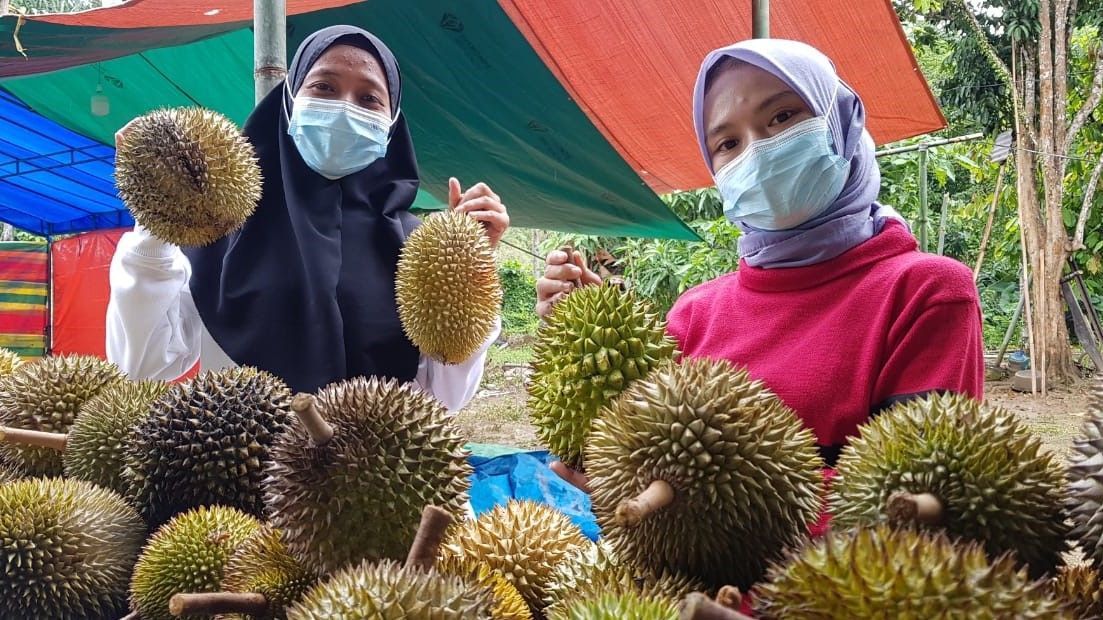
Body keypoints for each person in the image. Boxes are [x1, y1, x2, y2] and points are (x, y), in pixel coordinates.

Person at [537, 38, 984, 492]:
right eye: (728, 142)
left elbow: (922, 504)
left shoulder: (926, 293)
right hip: (672, 564)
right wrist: (587, 336)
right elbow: (625, 450)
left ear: (842, 121)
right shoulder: (693, 314)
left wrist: (693, 507)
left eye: (783, 116)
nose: (759, 151)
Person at [107, 25, 509, 411]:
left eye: (369, 98)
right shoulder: (220, 225)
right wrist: (156, 216)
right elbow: (144, 368)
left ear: (391, 124)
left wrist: (470, 266)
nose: (343, 107)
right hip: (241, 470)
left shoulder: (417, 247)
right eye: (324, 87)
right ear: (288, 102)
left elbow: (445, 398)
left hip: (371, 471)